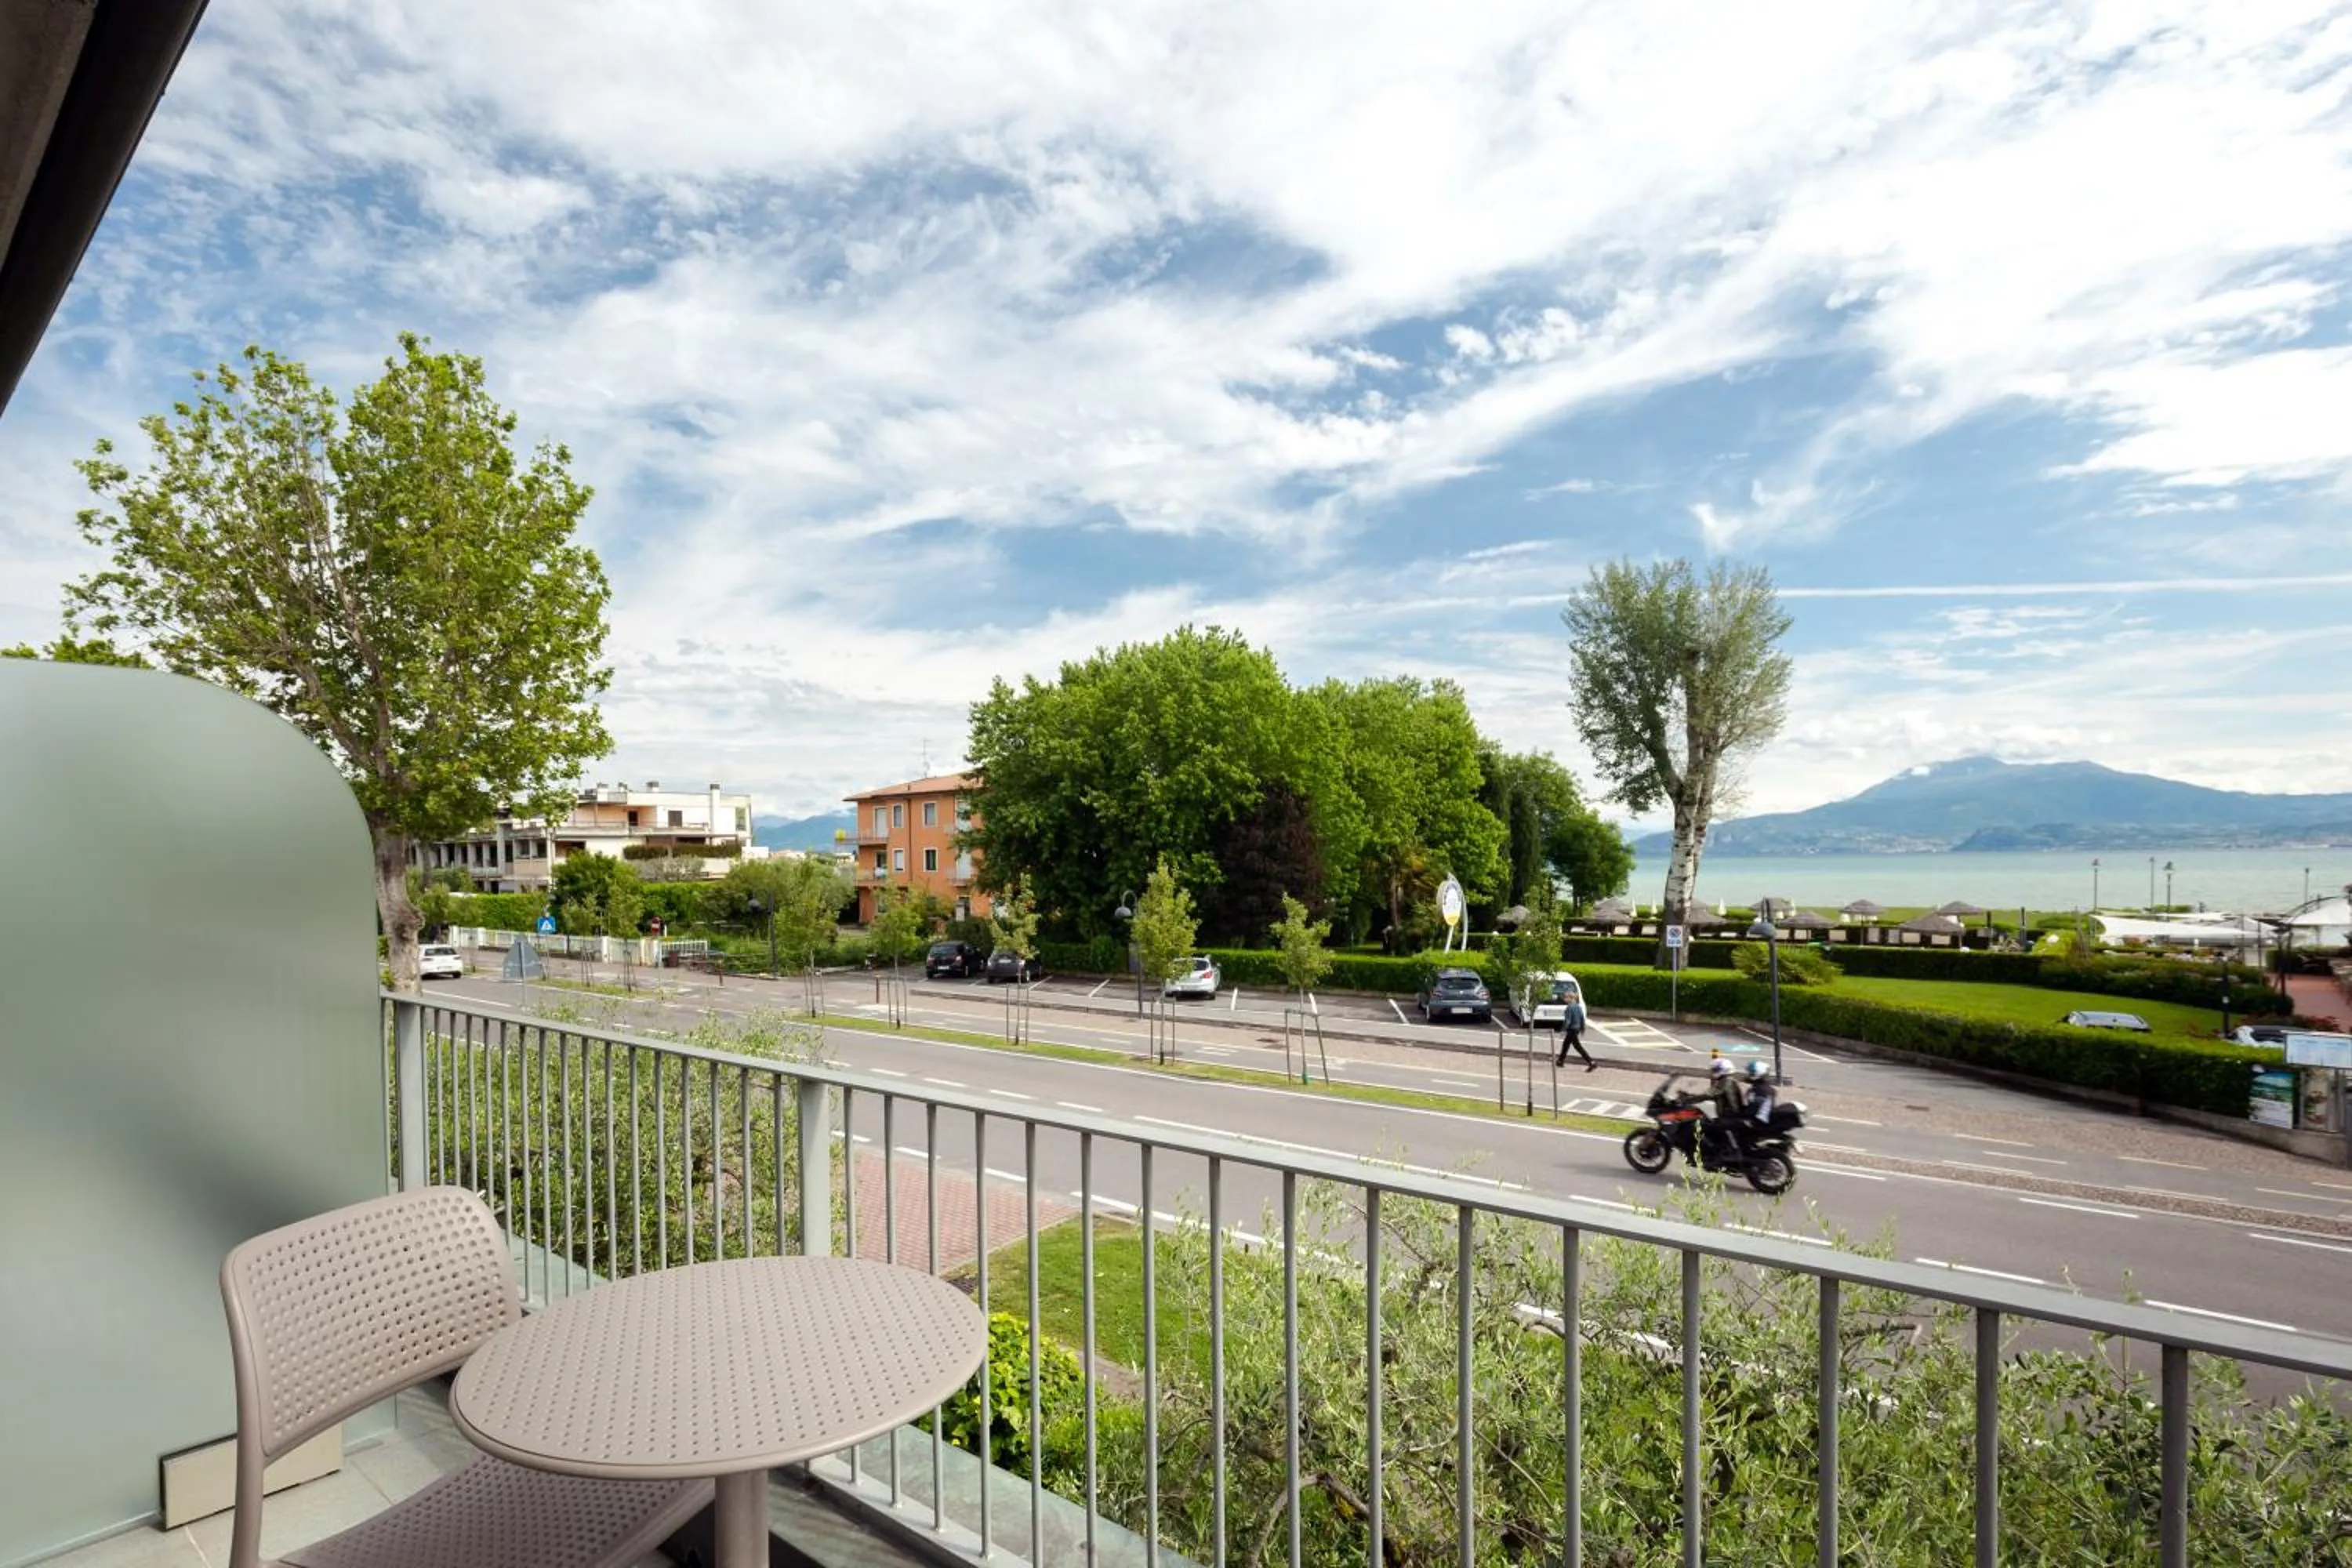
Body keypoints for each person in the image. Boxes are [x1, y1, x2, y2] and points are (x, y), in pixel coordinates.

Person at [1552, 983, 1595, 1072]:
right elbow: (1582, 1018)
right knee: (1566, 1044)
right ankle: (1560, 1061)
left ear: (1571, 998)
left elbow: (1567, 1021)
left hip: (1571, 1029)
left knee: (1577, 1047)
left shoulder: (1569, 1008)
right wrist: (1583, 1029)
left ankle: (1591, 1062)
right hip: (1577, 1029)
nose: (1564, 999)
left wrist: (1563, 1029)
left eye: (1566, 997)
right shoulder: (1579, 1007)